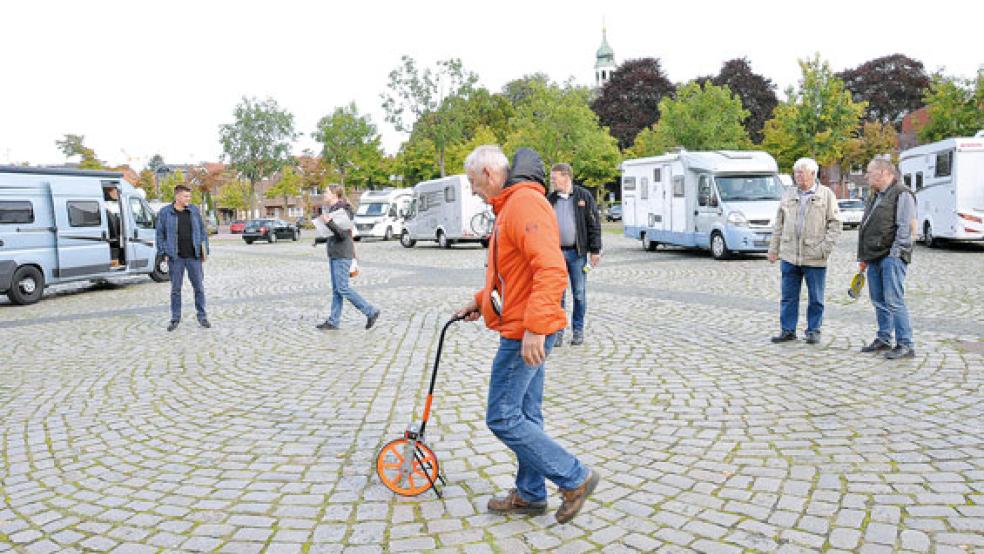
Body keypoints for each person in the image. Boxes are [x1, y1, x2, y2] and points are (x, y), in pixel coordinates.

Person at [455, 145, 599, 524]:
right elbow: (512, 274)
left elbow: (551, 269)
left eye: (473, 182)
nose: (473, 191)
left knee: (502, 417)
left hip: (525, 331)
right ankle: (532, 493)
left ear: (489, 173)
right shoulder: (511, 205)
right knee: (526, 414)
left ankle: (574, 477)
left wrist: (536, 327)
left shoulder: (523, 204)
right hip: (523, 324)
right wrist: (480, 301)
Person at [767, 158, 842, 344]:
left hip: (815, 256)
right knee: (788, 297)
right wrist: (773, 248)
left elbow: (835, 224)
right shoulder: (788, 193)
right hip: (790, 255)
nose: (797, 176)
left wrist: (825, 249)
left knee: (816, 298)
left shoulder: (826, 195)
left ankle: (813, 330)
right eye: (796, 172)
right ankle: (787, 330)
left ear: (813, 174)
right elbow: (779, 223)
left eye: (801, 172)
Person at [857, 157, 917, 359]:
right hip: (874, 256)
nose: (866, 176)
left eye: (869, 172)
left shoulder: (902, 193)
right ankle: (884, 339)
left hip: (892, 256)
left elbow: (904, 227)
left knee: (894, 301)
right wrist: (864, 257)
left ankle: (905, 344)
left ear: (883, 173)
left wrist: (894, 255)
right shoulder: (875, 195)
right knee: (879, 300)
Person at [546, 163, 602, 347]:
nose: (552, 181)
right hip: (556, 255)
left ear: (566, 177)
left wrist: (595, 250)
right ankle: (558, 331)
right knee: (558, 295)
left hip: (577, 254)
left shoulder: (583, 196)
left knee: (579, 293)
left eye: (554, 178)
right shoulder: (550, 199)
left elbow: (594, 224)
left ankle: (578, 330)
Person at [314, 185, 380, 331]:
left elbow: (343, 235)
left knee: (342, 288)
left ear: (334, 194)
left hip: (342, 254)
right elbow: (333, 233)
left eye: (326, 192)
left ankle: (370, 311)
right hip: (334, 253)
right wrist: (320, 239)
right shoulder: (332, 210)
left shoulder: (344, 210)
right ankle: (333, 321)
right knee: (337, 290)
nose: (324, 195)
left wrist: (329, 222)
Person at [155, 184, 210, 331]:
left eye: (189, 196)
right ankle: (175, 318)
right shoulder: (165, 212)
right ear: (177, 196)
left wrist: (204, 251)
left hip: (194, 257)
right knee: (175, 290)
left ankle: (202, 317)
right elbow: (160, 235)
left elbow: (203, 232)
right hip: (175, 258)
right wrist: (163, 253)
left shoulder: (194, 211)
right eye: (186, 196)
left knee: (199, 288)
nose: (188, 199)